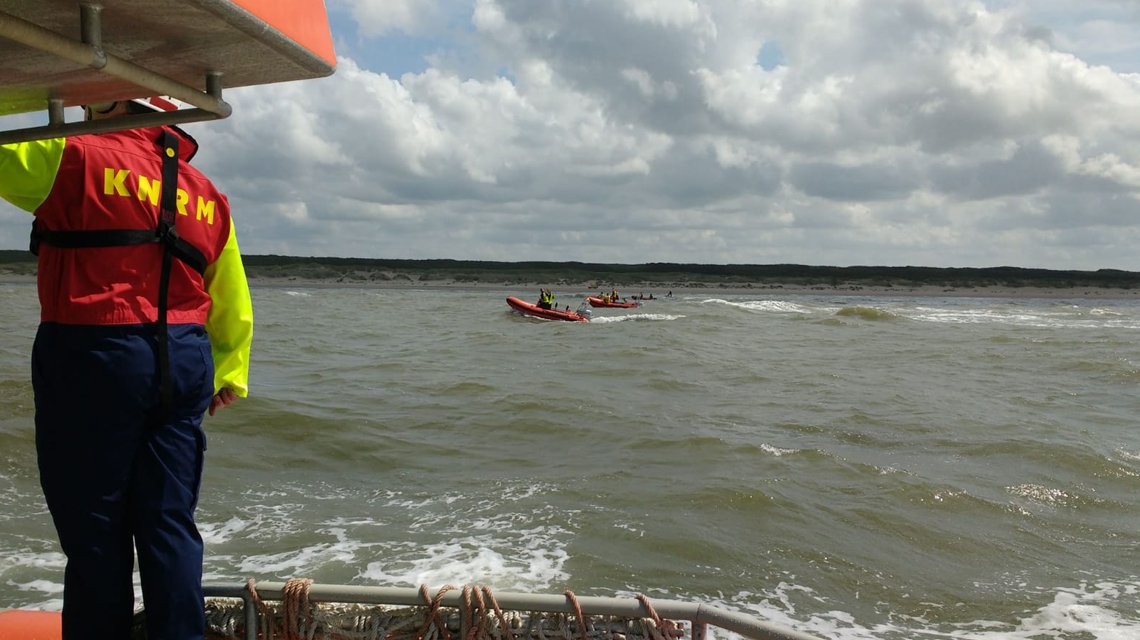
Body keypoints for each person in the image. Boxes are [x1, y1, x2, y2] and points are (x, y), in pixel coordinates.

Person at [0, 97, 253, 639]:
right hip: (184, 360)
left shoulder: (69, 156)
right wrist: (231, 369)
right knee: (169, 525)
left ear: (114, 102)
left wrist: (30, 87)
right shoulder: (206, 193)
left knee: (95, 534)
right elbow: (229, 290)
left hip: (93, 354)